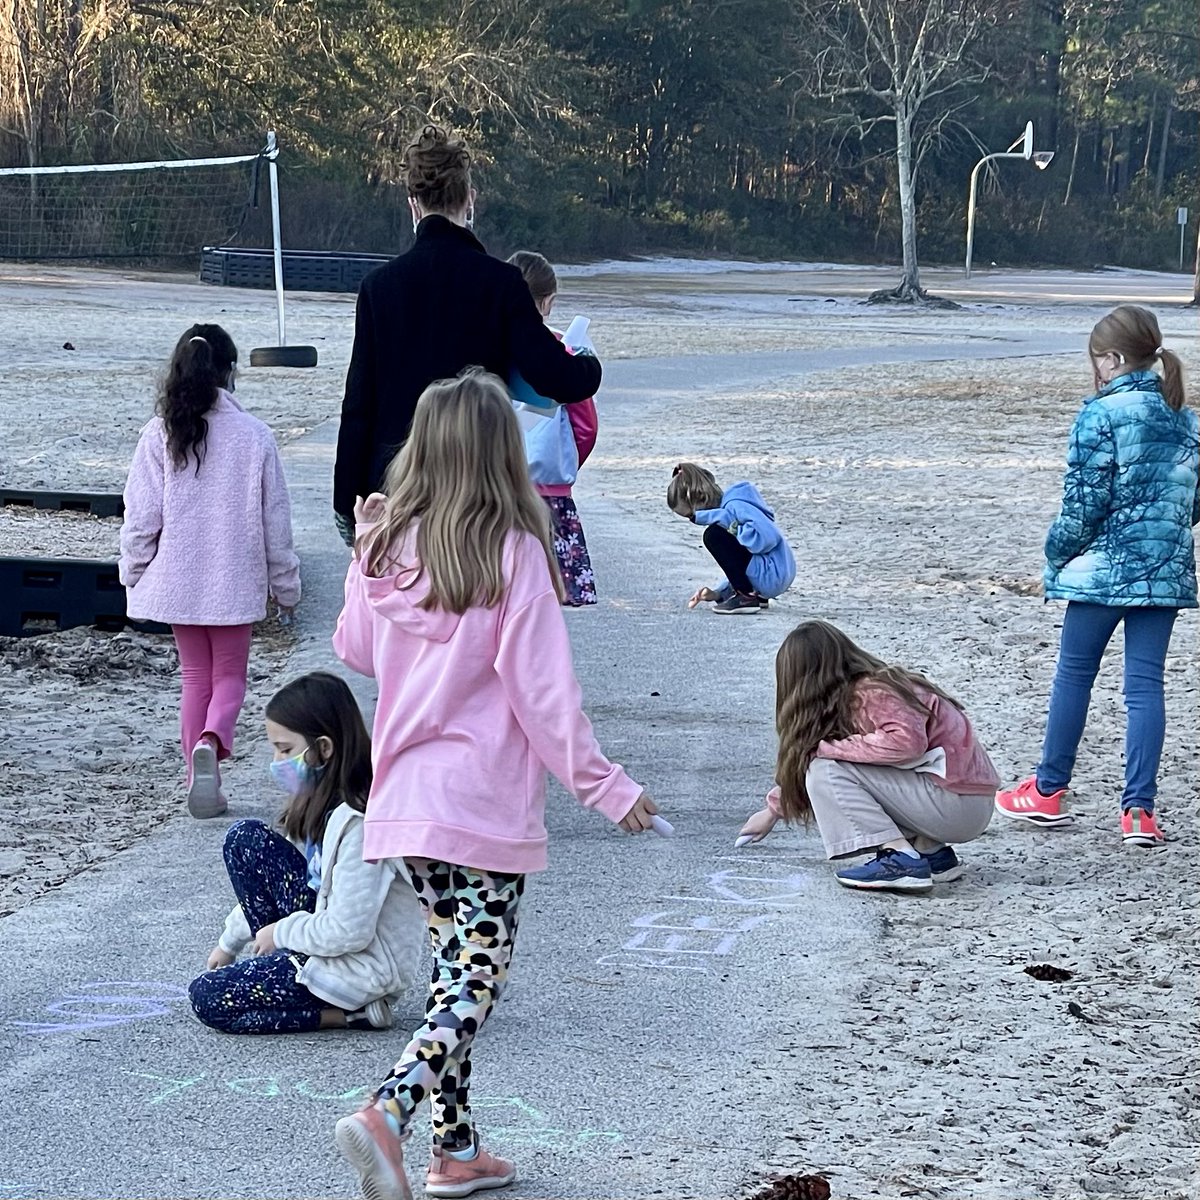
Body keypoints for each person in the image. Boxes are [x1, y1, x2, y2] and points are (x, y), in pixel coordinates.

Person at [329, 370, 659, 1200]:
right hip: (477, 804)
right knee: (477, 978)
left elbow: (360, 652)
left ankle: (457, 1148)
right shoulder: (512, 553)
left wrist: (366, 561)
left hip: (406, 803)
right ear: (501, 456)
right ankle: (387, 1111)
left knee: (454, 974)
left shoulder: (391, 549)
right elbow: (543, 694)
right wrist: (605, 786)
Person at [332, 125, 601, 545]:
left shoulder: (378, 286)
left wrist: (347, 500)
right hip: (476, 492)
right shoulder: (503, 284)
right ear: (470, 199)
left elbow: (359, 405)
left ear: (413, 206)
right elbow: (555, 378)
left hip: (397, 490)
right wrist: (589, 365)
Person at [996, 306, 1198, 847]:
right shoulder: (1185, 417)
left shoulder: (1100, 416)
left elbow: (1082, 507)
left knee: (1075, 674)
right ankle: (1139, 812)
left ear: (1110, 359)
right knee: (1145, 687)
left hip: (1103, 572)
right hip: (1163, 573)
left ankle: (1048, 790)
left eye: (1096, 360)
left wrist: (1055, 558)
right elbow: (1190, 501)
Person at [119, 324, 300, 819]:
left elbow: (141, 516)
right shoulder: (255, 437)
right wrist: (287, 587)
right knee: (230, 678)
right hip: (234, 581)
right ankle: (213, 739)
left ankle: (198, 779)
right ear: (230, 372)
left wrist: (132, 570)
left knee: (195, 678)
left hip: (178, 581)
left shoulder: (159, 433)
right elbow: (276, 524)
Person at [189, 673, 424, 1034]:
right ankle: (285, 968)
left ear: (324, 749)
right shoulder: (324, 806)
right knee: (245, 838)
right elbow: (302, 887)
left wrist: (280, 933)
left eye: (285, 749)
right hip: (318, 939)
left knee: (209, 997)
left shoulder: (361, 825)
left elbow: (349, 932)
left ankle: (347, 1015)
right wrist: (229, 942)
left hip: (357, 968)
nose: (277, 760)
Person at [738, 621, 999, 893]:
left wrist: (827, 748)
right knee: (838, 762)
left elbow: (907, 744)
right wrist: (772, 811)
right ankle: (931, 854)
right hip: (964, 802)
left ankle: (900, 859)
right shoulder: (872, 688)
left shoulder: (873, 691)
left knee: (826, 770)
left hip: (957, 804)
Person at [508, 250, 599, 607]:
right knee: (554, 592)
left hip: (497, 482)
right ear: (549, 301)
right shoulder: (566, 350)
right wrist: (569, 461)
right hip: (551, 488)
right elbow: (585, 426)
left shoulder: (490, 346)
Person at [667, 462, 796, 614]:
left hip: (773, 574)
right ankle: (751, 595)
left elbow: (768, 539)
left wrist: (727, 522)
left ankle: (746, 598)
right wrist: (717, 593)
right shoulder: (731, 507)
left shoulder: (735, 506)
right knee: (720, 535)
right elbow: (740, 561)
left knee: (713, 536)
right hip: (773, 574)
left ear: (701, 498)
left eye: (690, 515)